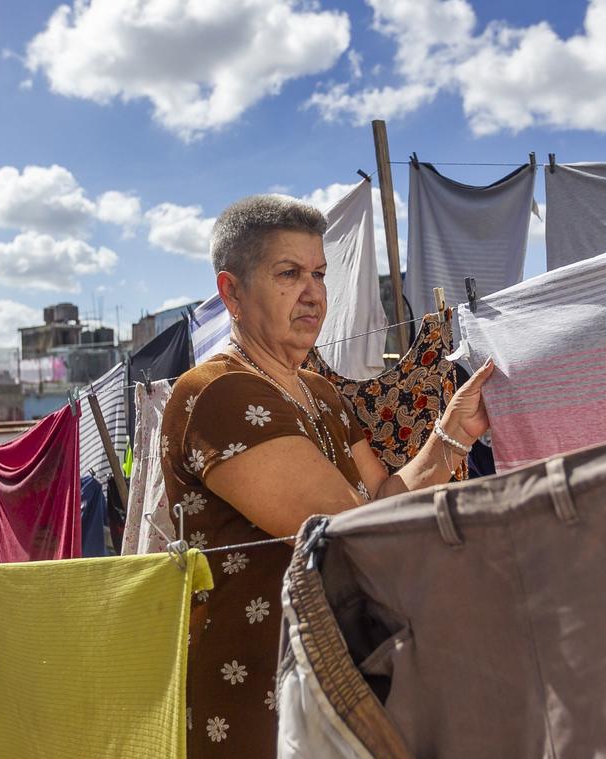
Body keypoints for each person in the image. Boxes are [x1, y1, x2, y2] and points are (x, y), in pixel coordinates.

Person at [160, 194, 494, 757]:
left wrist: (453, 431)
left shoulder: (320, 392)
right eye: (288, 274)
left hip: (331, 680)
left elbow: (383, 495)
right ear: (232, 291)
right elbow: (349, 530)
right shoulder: (217, 392)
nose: (314, 293)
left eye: (318, 272)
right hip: (259, 689)